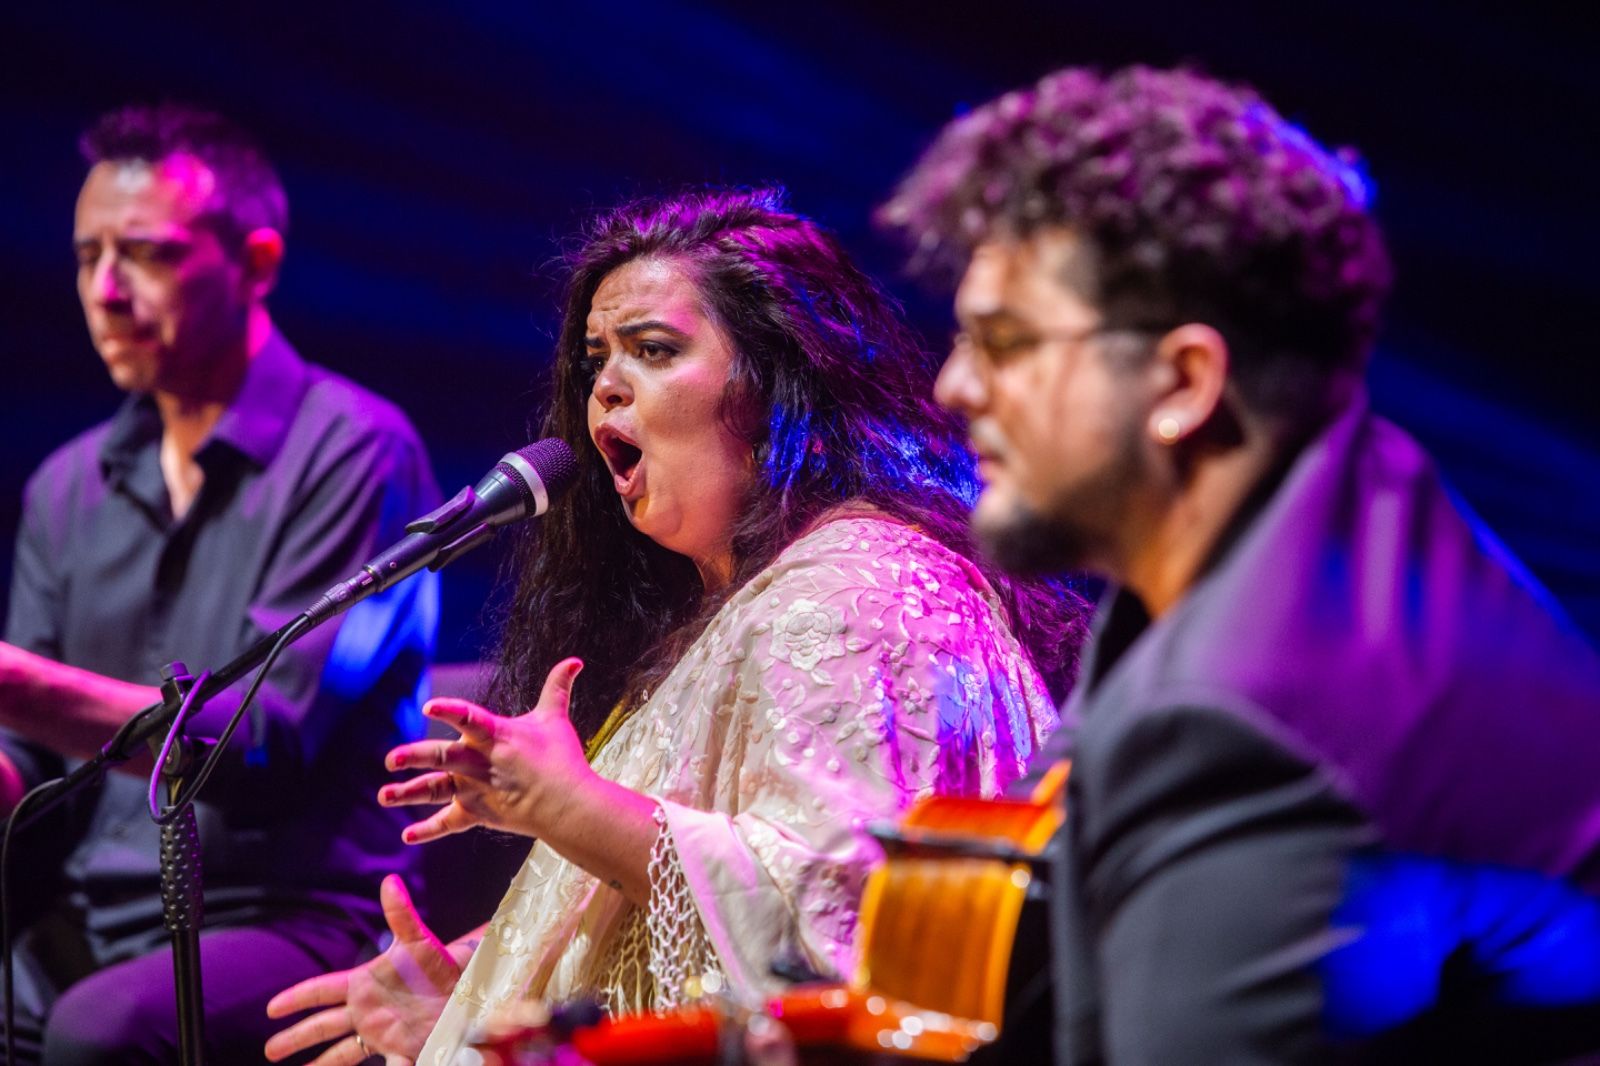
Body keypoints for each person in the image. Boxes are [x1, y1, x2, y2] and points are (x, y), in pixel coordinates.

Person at [880, 65, 1600, 1061]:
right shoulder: (1348, 513)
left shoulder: (1244, 723)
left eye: (1005, 341)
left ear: (1183, 382)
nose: (953, 385)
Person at [264, 187, 1080, 1064]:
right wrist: (475, 998)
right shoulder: (742, 607)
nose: (605, 389)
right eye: (596, 361)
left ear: (777, 380)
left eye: (653, 350)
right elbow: (670, 947)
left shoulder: (851, 596)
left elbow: (838, 930)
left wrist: (568, 806)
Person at [0, 103, 440, 1064]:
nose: (105, 292)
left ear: (256, 263)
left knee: (98, 1033)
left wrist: (13, 682)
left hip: (294, 916)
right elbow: (25, 762)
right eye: (87, 257)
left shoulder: (356, 449)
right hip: (96, 915)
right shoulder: (67, 485)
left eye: (146, 255)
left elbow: (262, 743)